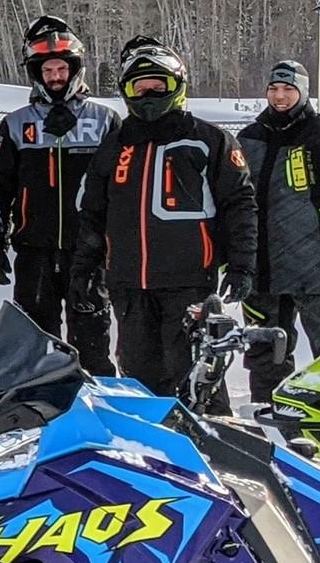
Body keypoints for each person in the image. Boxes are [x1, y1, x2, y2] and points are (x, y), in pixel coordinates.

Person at [69, 36, 256, 414]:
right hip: (129, 285)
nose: (150, 94)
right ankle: (151, 455)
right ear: (127, 92)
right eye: (141, 87)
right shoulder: (115, 146)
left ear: (177, 87)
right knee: (140, 377)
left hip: (189, 284)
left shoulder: (210, 141)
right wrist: (84, 269)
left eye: (159, 86)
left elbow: (240, 205)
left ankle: (215, 447)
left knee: (196, 375)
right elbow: (92, 213)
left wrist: (242, 264)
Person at [0, 15, 119, 375]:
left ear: (75, 70)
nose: (55, 77)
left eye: (61, 69)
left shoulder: (105, 121)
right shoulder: (15, 123)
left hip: (88, 253)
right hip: (34, 252)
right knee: (34, 346)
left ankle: (96, 415)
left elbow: (121, 189)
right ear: (35, 74)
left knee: (92, 343)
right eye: (47, 71)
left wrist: (116, 242)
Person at [237, 59, 320, 401]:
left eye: (288, 89)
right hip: (262, 273)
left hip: (319, 274)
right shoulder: (249, 139)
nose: (280, 97)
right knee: (264, 357)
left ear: (303, 92)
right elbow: (233, 202)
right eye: (274, 89)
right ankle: (265, 421)